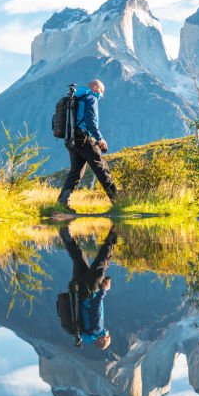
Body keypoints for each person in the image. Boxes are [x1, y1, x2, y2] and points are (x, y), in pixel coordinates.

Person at [57, 79, 119, 212]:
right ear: (96, 88)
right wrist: (100, 139)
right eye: (101, 92)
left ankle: (62, 202)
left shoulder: (75, 99)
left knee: (76, 172)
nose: (101, 96)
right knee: (101, 168)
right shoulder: (91, 97)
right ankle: (118, 201)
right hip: (85, 139)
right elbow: (91, 120)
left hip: (72, 140)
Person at [61, 225, 117, 350]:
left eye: (107, 337)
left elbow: (96, 308)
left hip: (90, 290)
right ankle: (64, 232)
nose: (107, 333)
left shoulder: (97, 330)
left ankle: (115, 231)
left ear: (101, 340)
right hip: (77, 290)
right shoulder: (83, 333)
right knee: (78, 257)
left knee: (102, 263)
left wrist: (104, 290)